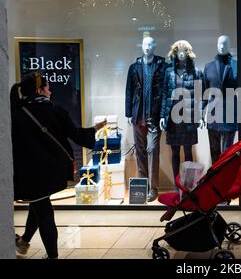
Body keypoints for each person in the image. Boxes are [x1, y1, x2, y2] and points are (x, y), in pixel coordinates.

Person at [11, 71, 106, 259]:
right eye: (47, 88)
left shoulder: (15, 112)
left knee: (40, 204)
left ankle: (26, 244)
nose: (50, 91)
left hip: (27, 172)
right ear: (39, 90)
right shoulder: (55, 110)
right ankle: (45, 252)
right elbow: (77, 136)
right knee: (42, 208)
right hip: (51, 170)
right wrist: (95, 129)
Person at [125, 36, 168, 202]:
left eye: (151, 44)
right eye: (145, 44)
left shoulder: (162, 66)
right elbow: (129, 90)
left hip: (154, 117)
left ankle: (153, 188)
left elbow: (165, 92)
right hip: (138, 116)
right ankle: (143, 185)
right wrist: (128, 112)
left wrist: (164, 115)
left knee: (152, 150)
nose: (148, 47)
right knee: (141, 151)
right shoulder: (134, 67)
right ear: (141, 46)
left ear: (155, 45)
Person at [160, 40, 205, 188]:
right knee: (174, 152)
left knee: (188, 152)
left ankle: (189, 184)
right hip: (173, 119)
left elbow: (199, 96)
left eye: (183, 50)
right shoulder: (168, 72)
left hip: (189, 118)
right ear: (174, 52)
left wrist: (201, 115)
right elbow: (164, 95)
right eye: (177, 50)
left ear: (188, 52)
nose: (180, 53)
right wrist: (162, 116)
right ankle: (176, 183)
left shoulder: (196, 72)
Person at [203, 35, 238, 164]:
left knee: (228, 153)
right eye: (220, 44)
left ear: (230, 46)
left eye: (225, 44)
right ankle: (216, 182)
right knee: (214, 151)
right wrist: (202, 112)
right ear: (216, 45)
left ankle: (225, 183)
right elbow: (204, 92)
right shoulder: (208, 67)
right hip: (213, 115)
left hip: (230, 114)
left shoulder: (236, 66)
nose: (222, 46)